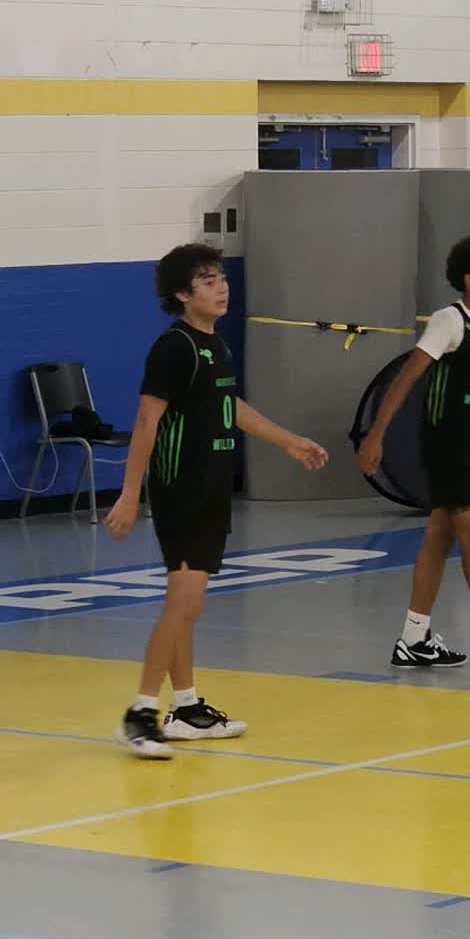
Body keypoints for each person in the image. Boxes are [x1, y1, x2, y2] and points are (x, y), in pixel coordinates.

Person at [105, 244, 328, 757]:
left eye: (221, 277)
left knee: (186, 607)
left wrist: (289, 441)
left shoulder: (216, 346)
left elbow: (229, 405)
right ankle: (139, 712)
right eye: (206, 280)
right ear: (182, 294)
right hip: (180, 486)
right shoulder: (175, 347)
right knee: (183, 602)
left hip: (210, 488)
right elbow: (146, 421)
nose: (220, 287)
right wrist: (130, 493)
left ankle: (184, 708)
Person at [355, 235, 470, 677]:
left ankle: (413, 640)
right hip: (443, 443)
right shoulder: (448, 321)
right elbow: (405, 378)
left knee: (440, 535)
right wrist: (375, 435)